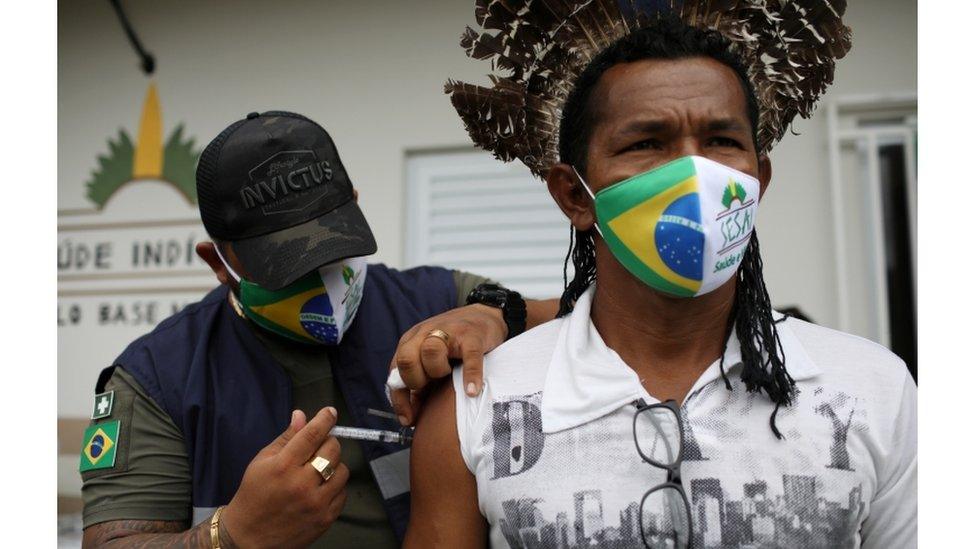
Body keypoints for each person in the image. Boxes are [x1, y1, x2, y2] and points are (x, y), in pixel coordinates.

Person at [407, 7, 915, 549]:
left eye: (722, 141)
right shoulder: (476, 405)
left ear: (758, 180)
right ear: (575, 195)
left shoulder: (874, 390)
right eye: (647, 144)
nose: (694, 174)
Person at [79, 110, 558, 548]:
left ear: (354, 207)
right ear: (220, 263)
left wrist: (495, 315)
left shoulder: (436, 301)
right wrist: (231, 536)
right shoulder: (159, 379)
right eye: (286, 267)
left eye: (333, 250)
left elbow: (587, 317)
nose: (322, 283)